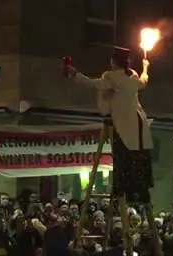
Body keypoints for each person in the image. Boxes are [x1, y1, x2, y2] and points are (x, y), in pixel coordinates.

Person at [65, 48, 154, 205]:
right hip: (139, 122)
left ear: (113, 62)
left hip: (123, 124)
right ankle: (140, 193)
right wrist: (146, 67)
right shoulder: (132, 75)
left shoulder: (110, 77)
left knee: (122, 158)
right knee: (140, 159)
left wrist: (75, 73)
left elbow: (92, 84)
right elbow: (143, 82)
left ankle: (121, 190)